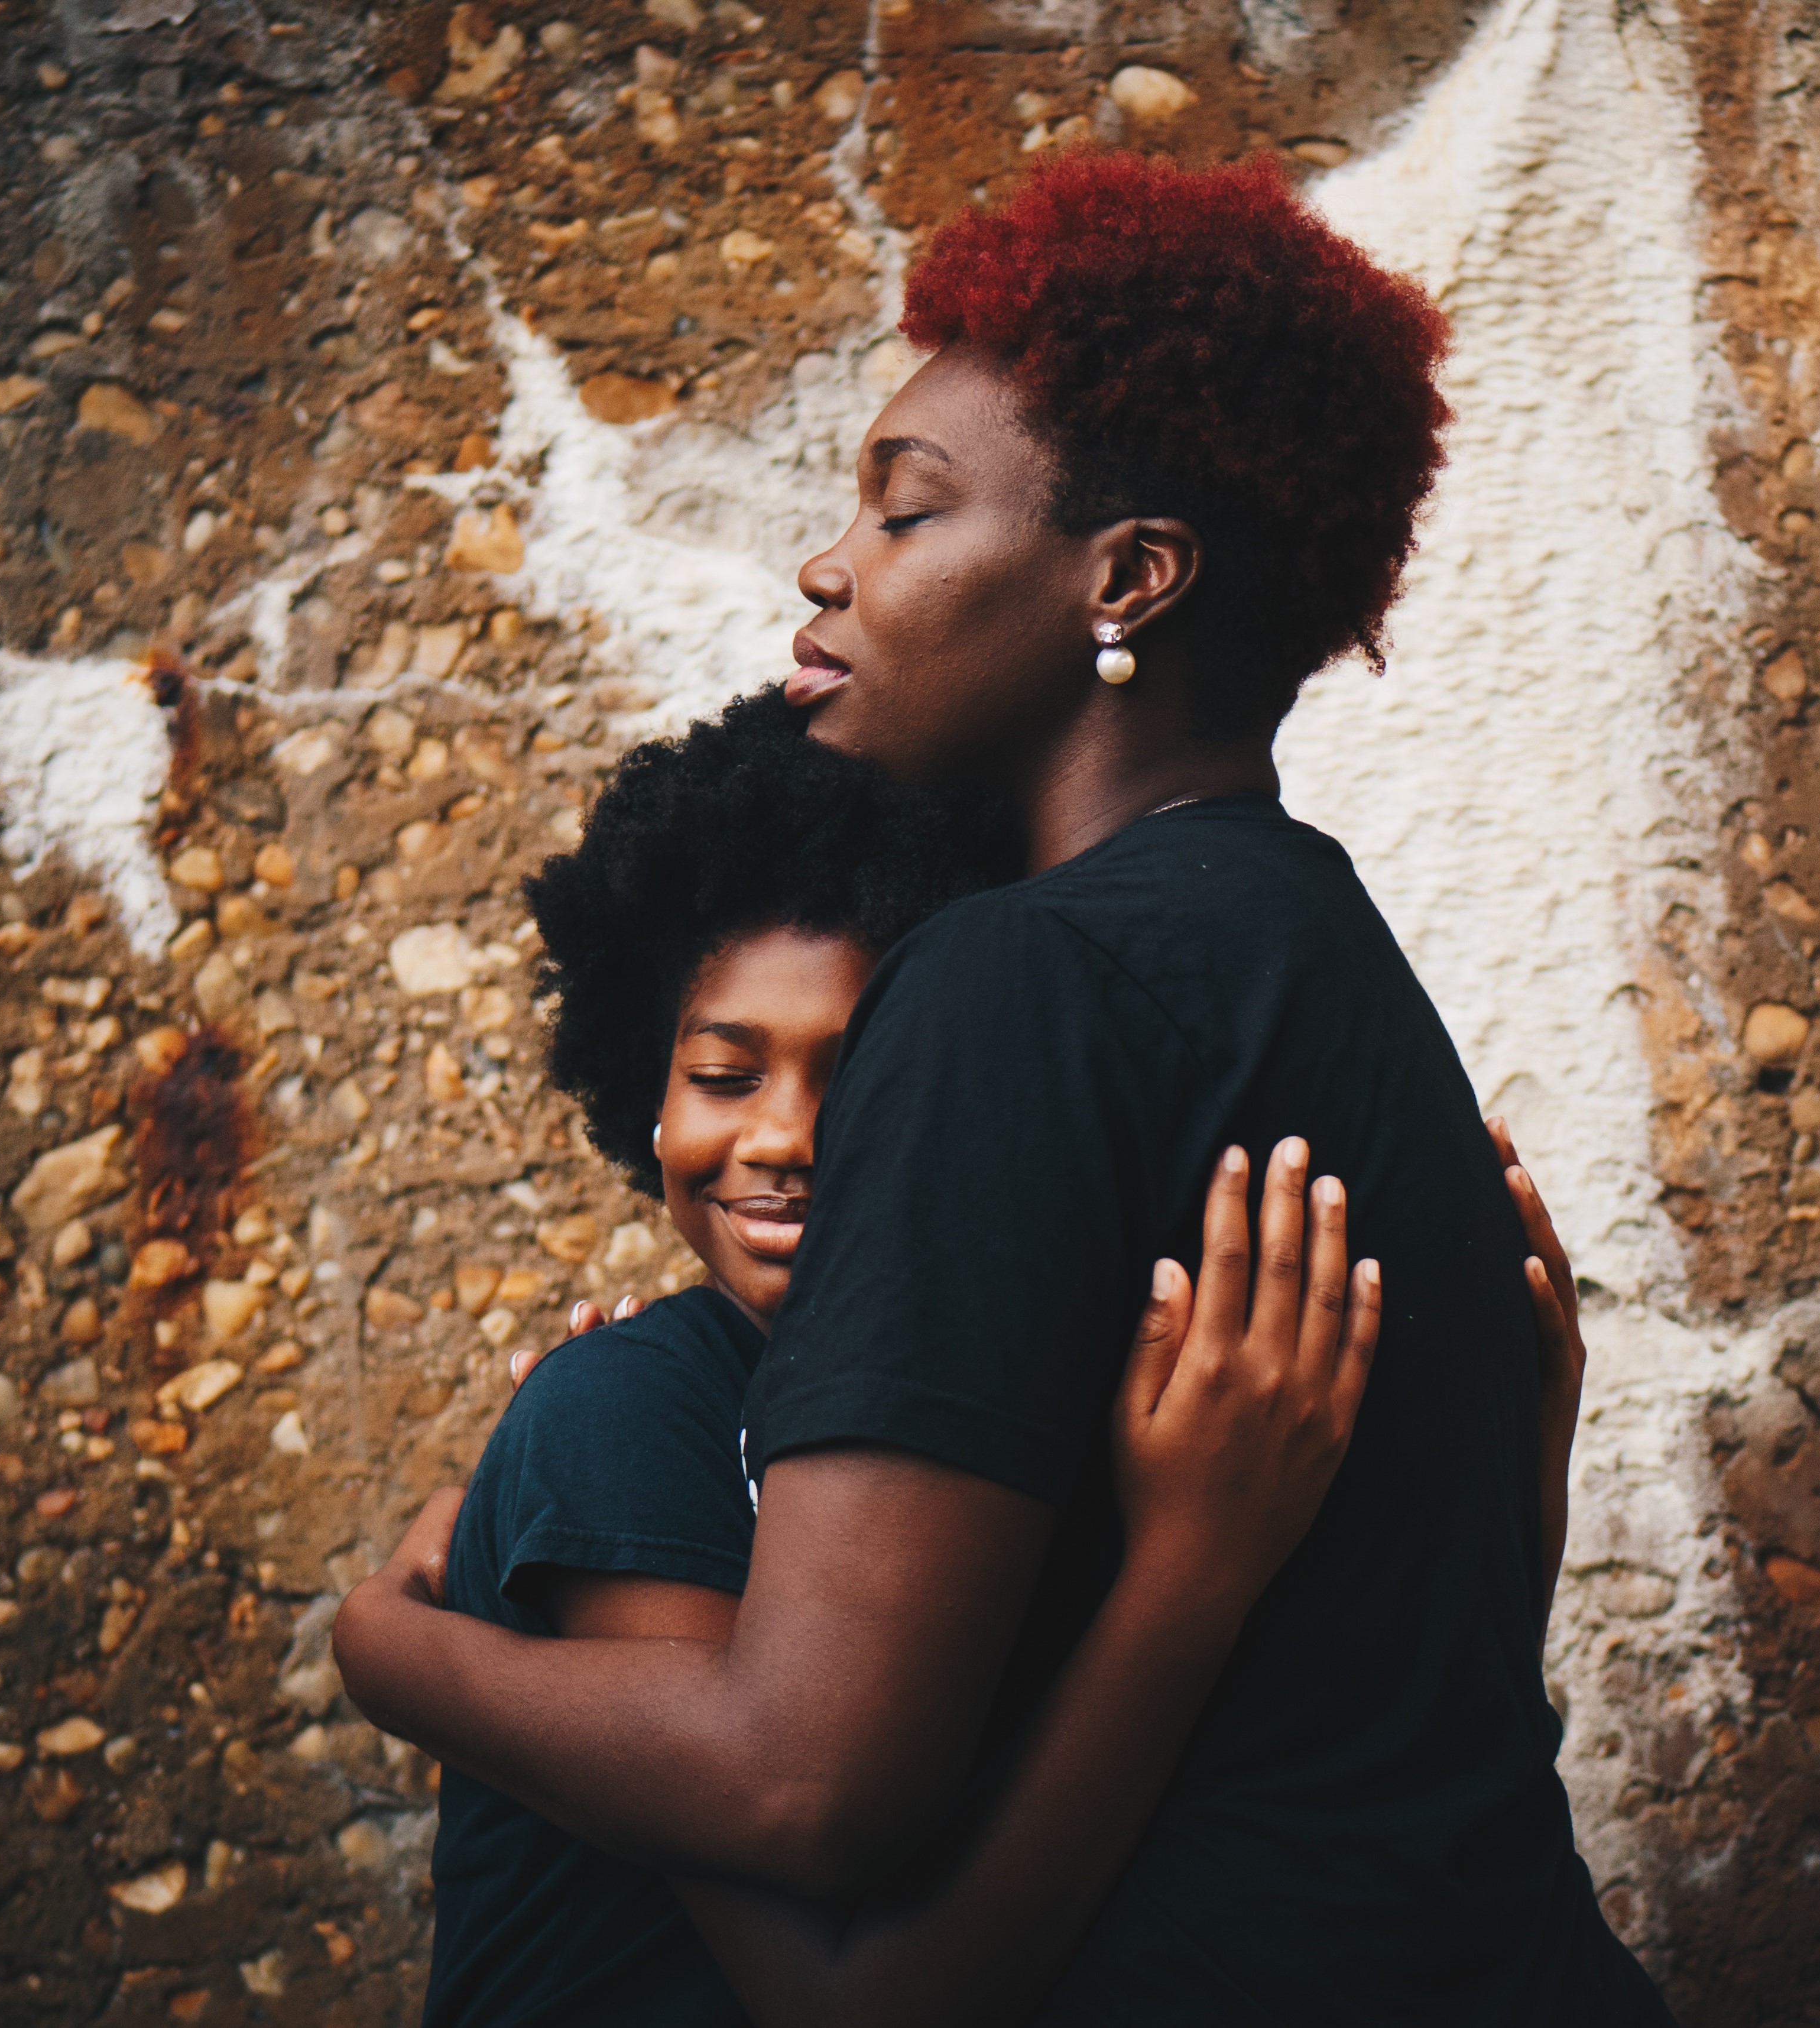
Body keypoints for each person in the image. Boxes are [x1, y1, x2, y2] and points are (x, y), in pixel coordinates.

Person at [338, 151, 1674, 2020]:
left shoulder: (1013, 981)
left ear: (1125, 577)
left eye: (903, 512)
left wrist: (392, 1644)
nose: (831, 565)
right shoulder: (1335, 966)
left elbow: (805, 1783)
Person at [424, 689, 1384, 2025]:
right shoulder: (630, 1411)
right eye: (725, 1073)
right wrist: (1190, 1571)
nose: (786, 1135)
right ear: (644, 1099)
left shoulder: (987, 1414)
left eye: (862, 1071)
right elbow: (861, 2000)